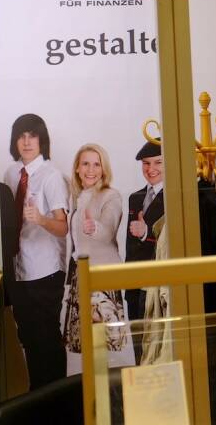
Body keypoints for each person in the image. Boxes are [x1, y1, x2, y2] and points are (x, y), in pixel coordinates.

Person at [3, 113, 69, 389]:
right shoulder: (11, 173)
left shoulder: (52, 176)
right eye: (21, 136)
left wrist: (41, 219)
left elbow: (63, 227)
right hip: (19, 269)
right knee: (28, 339)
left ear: (42, 141)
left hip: (45, 271)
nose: (27, 142)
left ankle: (56, 400)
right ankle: (37, 398)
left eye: (33, 136)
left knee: (47, 340)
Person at [62, 143, 127, 354]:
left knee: (104, 347)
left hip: (101, 278)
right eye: (86, 164)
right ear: (77, 168)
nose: (91, 170)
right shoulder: (77, 197)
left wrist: (94, 227)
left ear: (104, 169)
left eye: (97, 164)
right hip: (81, 275)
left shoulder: (111, 196)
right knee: (87, 347)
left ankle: (107, 379)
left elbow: (108, 229)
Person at [126, 140, 165, 363]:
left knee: (158, 351)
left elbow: (174, 240)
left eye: (158, 162)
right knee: (138, 349)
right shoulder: (135, 198)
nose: (151, 169)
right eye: (146, 163)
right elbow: (129, 246)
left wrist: (146, 233)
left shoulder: (176, 197)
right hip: (135, 285)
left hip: (158, 288)